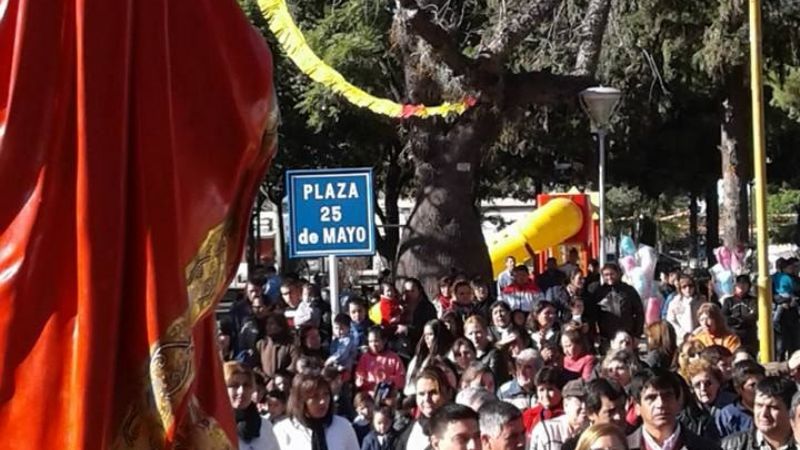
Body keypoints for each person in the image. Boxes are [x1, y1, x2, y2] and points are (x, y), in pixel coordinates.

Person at [626, 368, 718, 450]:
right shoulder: (623, 447)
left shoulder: (707, 447)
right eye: (651, 398)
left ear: (678, 402)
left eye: (667, 396)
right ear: (637, 406)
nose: (661, 404)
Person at [272, 373, 359, 450]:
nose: (322, 401)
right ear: (301, 400)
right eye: (315, 397)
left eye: (326, 394)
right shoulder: (283, 430)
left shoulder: (343, 426)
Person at [721, 377, 798, 450]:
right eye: (759, 405)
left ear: (791, 411)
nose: (764, 414)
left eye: (772, 407)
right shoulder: (731, 446)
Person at [224, 361, 281, 450]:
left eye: (246, 385)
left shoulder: (265, 427)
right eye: (234, 385)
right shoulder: (212, 427)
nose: (241, 391)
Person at [395, 366, 453, 450]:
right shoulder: (409, 430)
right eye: (421, 394)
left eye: (433, 393)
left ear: (449, 393)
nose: (426, 399)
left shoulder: (460, 427)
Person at [586, 263, 644, 348]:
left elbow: (639, 313)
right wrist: (595, 334)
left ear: (618, 274)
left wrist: (637, 335)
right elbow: (593, 316)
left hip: (627, 336)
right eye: (606, 275)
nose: (609, 277)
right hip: (607, 338)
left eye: (612, 274)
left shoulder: (628, 291)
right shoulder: (599, 293)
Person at [560, 379, 627, 450]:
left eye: (622, 408)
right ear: (591, 413)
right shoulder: (573, 447)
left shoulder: (634, 439)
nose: (618, 417)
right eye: (610, 412)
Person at [528, 379, 588, 450]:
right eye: (579, 401)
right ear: (565, 404)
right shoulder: (547, 430)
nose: (584, 406)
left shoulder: (593, 432)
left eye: (588, 401)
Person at [678, 359, 727, 441]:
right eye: (697, 385)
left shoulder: (733, 408)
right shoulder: (686, 415)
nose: (703, 388)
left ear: (718, 383)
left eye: (708, 383)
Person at [716, 360, 767, 438]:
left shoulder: (774, 409)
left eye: (762, 383)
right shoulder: (727, 415)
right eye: (753, 385)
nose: (759, 389)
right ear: (739, 389)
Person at [405, 320, 456, 396]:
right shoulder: (419, 357)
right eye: (425, 335)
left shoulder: (449, 355)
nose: (427, 338)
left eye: (430, 334)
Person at [355, 327, 406, 395]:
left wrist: (387, 381)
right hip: (369, 395)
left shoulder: (394, 358)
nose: (373, 345)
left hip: (387, 394)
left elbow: (401, 380)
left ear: (384, 341)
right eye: (370, 341)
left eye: (376, 341)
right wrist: (362, 381)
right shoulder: (364, 358)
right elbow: (359, 377)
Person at [465, 315, 511, 385]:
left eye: (478, 332)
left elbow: (495, 380)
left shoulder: (495, 354)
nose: (474, 337)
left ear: (486, 332)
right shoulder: (467, 356)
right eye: (470, 334)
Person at [257, 313, 299, 383]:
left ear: (281, 326)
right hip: (266, 384)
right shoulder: (261, 344)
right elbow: (256, 365)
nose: (268, 327)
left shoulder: (290, 345)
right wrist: (265, 379)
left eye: (272, 324)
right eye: (267, 324)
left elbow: (294, 365)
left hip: (285, 383)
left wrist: (281, 378)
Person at [721, 275, 758, 355]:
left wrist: (738, 320)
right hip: (733, 336)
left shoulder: (753, 301)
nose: (741, 287)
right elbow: (724, 317)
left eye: (744, 284)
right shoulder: (728, 301)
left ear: (748, 286)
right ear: (735, 286)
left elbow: (754, 315)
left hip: (749, 336)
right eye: (739, 284)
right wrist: (735, 321)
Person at [522, 367, 565, 433]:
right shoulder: (529, 415)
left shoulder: (568, 414)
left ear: (561, 390)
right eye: (541, 390)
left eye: (550, 389)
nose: (545, 395)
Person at [400, 277, 439, 349]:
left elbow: (430, 327)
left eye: (412, 291)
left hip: (422, 345)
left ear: (419, 290)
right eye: (407, 291)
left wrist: (407, 330)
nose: (409, 294)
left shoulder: (427, 307)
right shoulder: (400, 305)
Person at [666, 274, 703, 345]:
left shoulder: (701, 301)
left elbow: (705, 318)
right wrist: (683, 334)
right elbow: (671, 320)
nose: (688, 289)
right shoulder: (674, 302)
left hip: (698, 335)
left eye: (690, 286)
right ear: (680, 288)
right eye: (684, 287)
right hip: (681, 338)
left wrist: (696, 332)